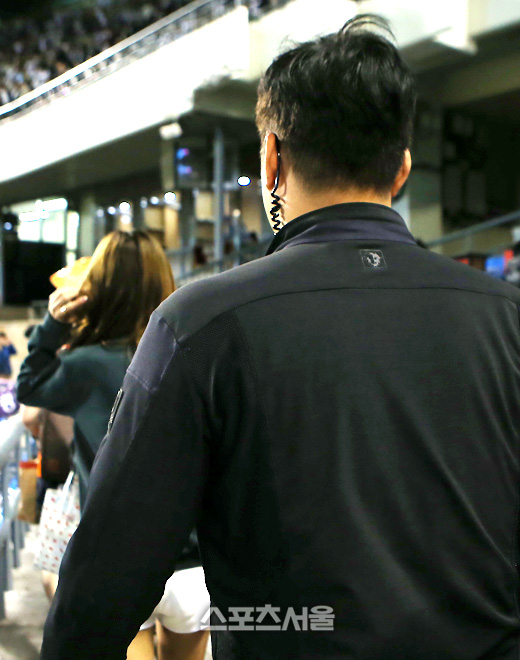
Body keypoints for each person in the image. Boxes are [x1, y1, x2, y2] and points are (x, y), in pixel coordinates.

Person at [41, 15, 520, 660]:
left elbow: (104, 580)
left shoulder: (202, 324)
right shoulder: (507, 316)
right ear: (402, 169)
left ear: (271, 158)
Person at [18, 231, 209, 660]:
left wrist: (53, 327)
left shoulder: (83, 365)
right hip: (194, 560)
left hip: (118, 562)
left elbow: (29, 386)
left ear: (98, 289)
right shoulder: (196, 355)